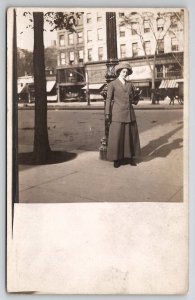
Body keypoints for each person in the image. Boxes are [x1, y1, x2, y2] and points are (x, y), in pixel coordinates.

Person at [105, 63, 141, 168]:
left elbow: (134, 100)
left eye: (126, 72)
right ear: (119, 72)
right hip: (117, 113)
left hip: (129, 113)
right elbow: (108, 99)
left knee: (129, 136)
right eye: (123, 72)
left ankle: (130, 158)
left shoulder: (130, 84)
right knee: (117, 137)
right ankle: (117, 159)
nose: (125, 74)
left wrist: (137, 97)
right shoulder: (112, 84)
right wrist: (107, 113)